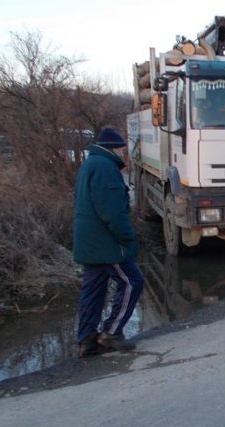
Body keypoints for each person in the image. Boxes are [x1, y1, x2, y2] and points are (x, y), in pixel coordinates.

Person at [73, 128, 144, 357]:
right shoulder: (106, 168)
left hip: (89, 241)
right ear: (115, 148)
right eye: (122, 149)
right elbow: (113, 213)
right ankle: (111, 333)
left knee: (93, 290)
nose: (123, 154)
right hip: (106, 244)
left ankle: (86, 339)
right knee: (132, 281)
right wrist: (128, 238)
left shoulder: (90, 164)